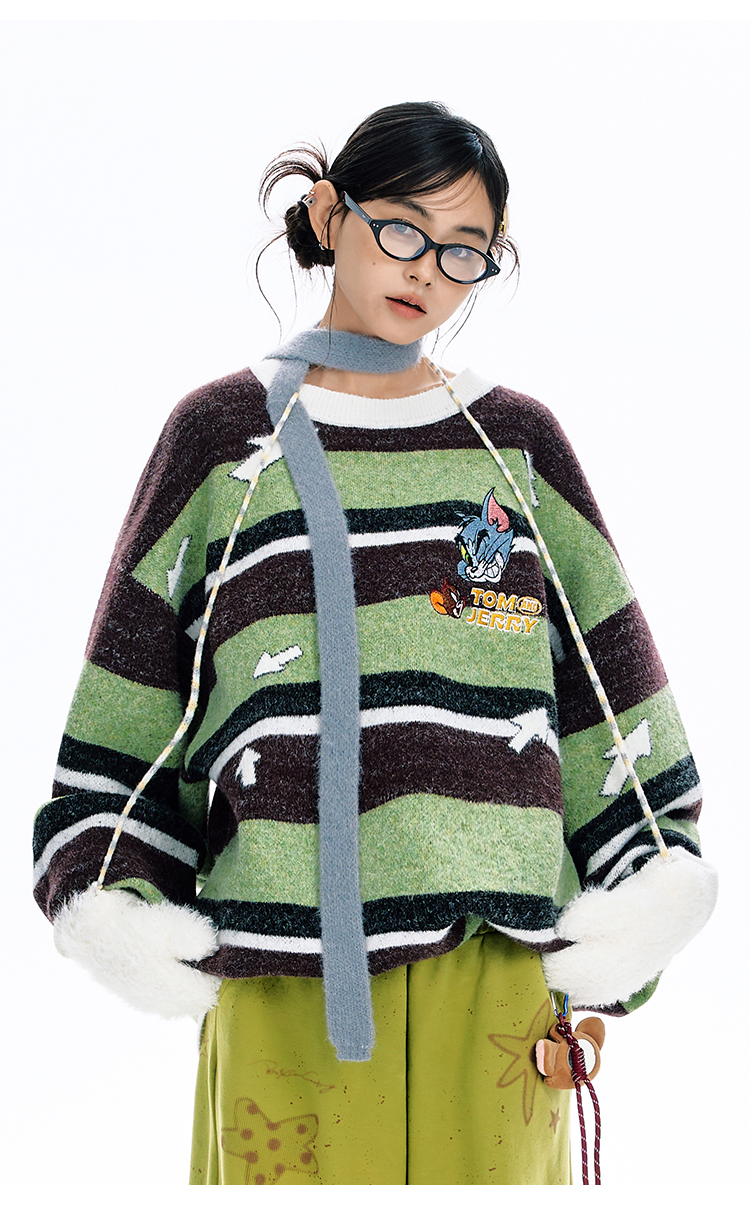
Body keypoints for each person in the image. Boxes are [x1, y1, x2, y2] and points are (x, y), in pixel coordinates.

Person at [32, 101, 717, 1186]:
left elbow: (609, 692)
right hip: (280, 977)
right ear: (328, 214)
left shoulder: (514, 446)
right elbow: (131, 708)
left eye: (463, 251)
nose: (426, 270)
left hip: (498, 977)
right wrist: (111, 890)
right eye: (402, 228)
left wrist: (647, 884)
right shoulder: (222, 442)